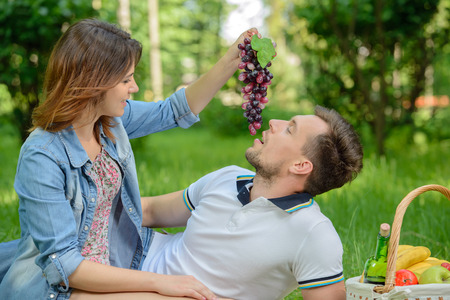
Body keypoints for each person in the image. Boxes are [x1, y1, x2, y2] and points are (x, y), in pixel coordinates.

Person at [0, 18, 259, 300]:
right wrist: (158, 282)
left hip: (113, 263)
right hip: (58, 287)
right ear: (93, 83)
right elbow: (65, 267)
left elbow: (173, 110)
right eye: (125, 79)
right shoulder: (43, 155)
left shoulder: (108, 122)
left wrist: (231, 60)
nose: (133, 87)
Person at [138, 106, 364, 300]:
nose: (274, 122)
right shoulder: (228, 177)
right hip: (133, 250)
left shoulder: (313, 233)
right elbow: (148, 211)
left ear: (300, 166)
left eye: (289, 129)